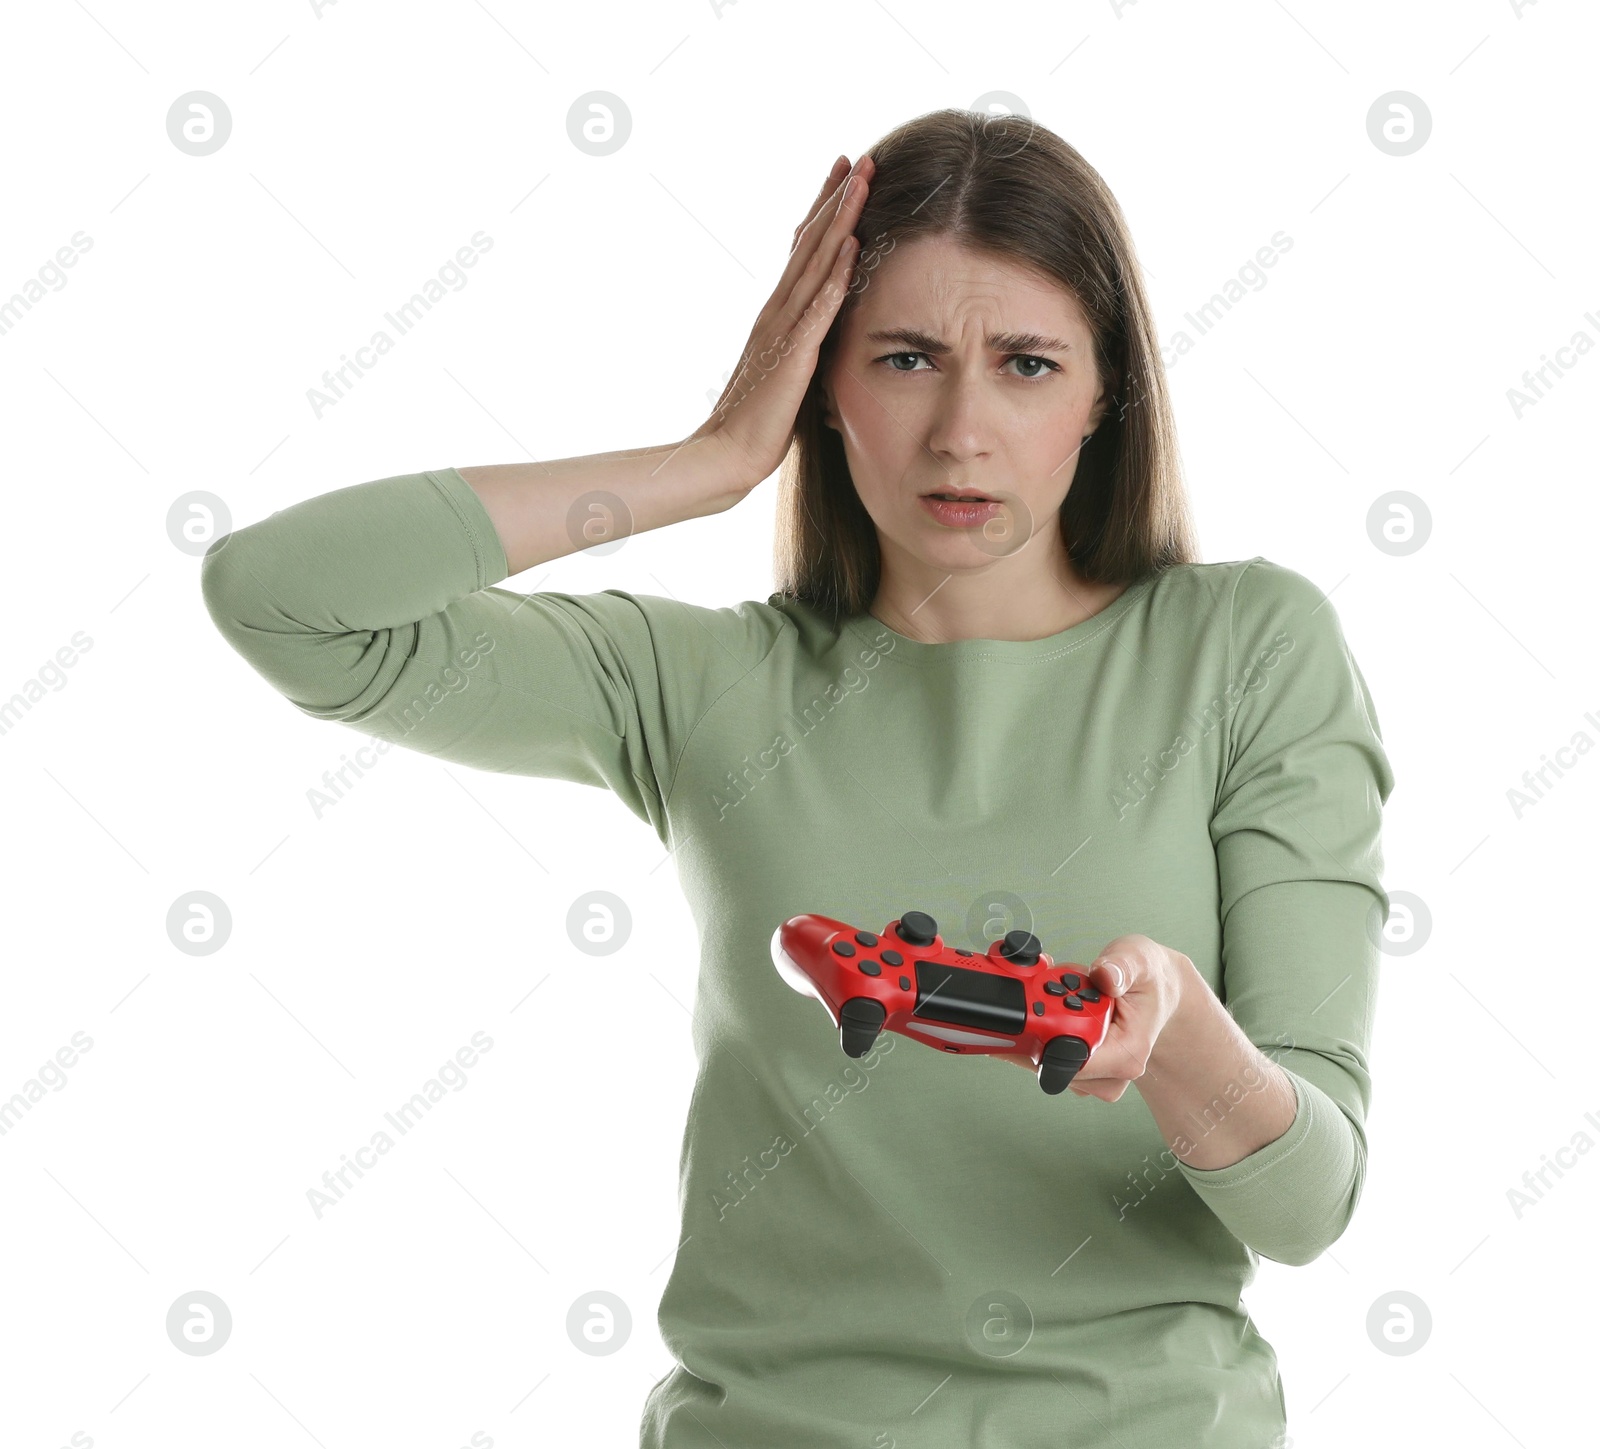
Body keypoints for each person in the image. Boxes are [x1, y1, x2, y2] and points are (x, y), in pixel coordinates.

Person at [201, 107, 1393, 1449]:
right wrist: (705, 462)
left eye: (1027, 363)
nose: (961, 430)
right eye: (904, 358)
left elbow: (1307, 1205)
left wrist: (1179, 1034)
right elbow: (280, 601)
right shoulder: (702, 684)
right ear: (824, 380)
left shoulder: (1250, 652)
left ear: (1102, 395)